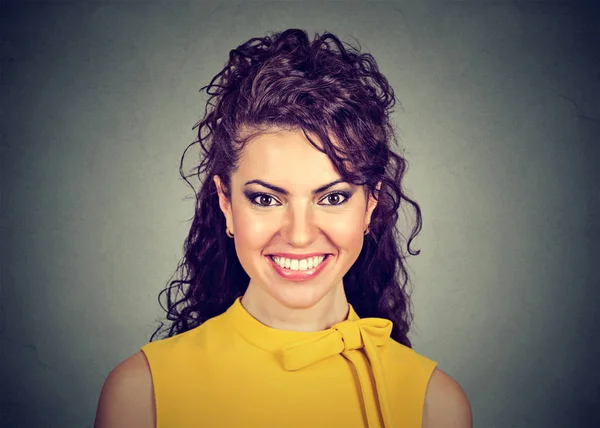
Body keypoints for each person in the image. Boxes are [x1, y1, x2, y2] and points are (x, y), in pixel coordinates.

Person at [94, 29, 472, 428]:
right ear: (226, 201)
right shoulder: (141, 394)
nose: (299, 234)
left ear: (370, 204)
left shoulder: (436, 405)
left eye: (332, 197)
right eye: (265, 199)